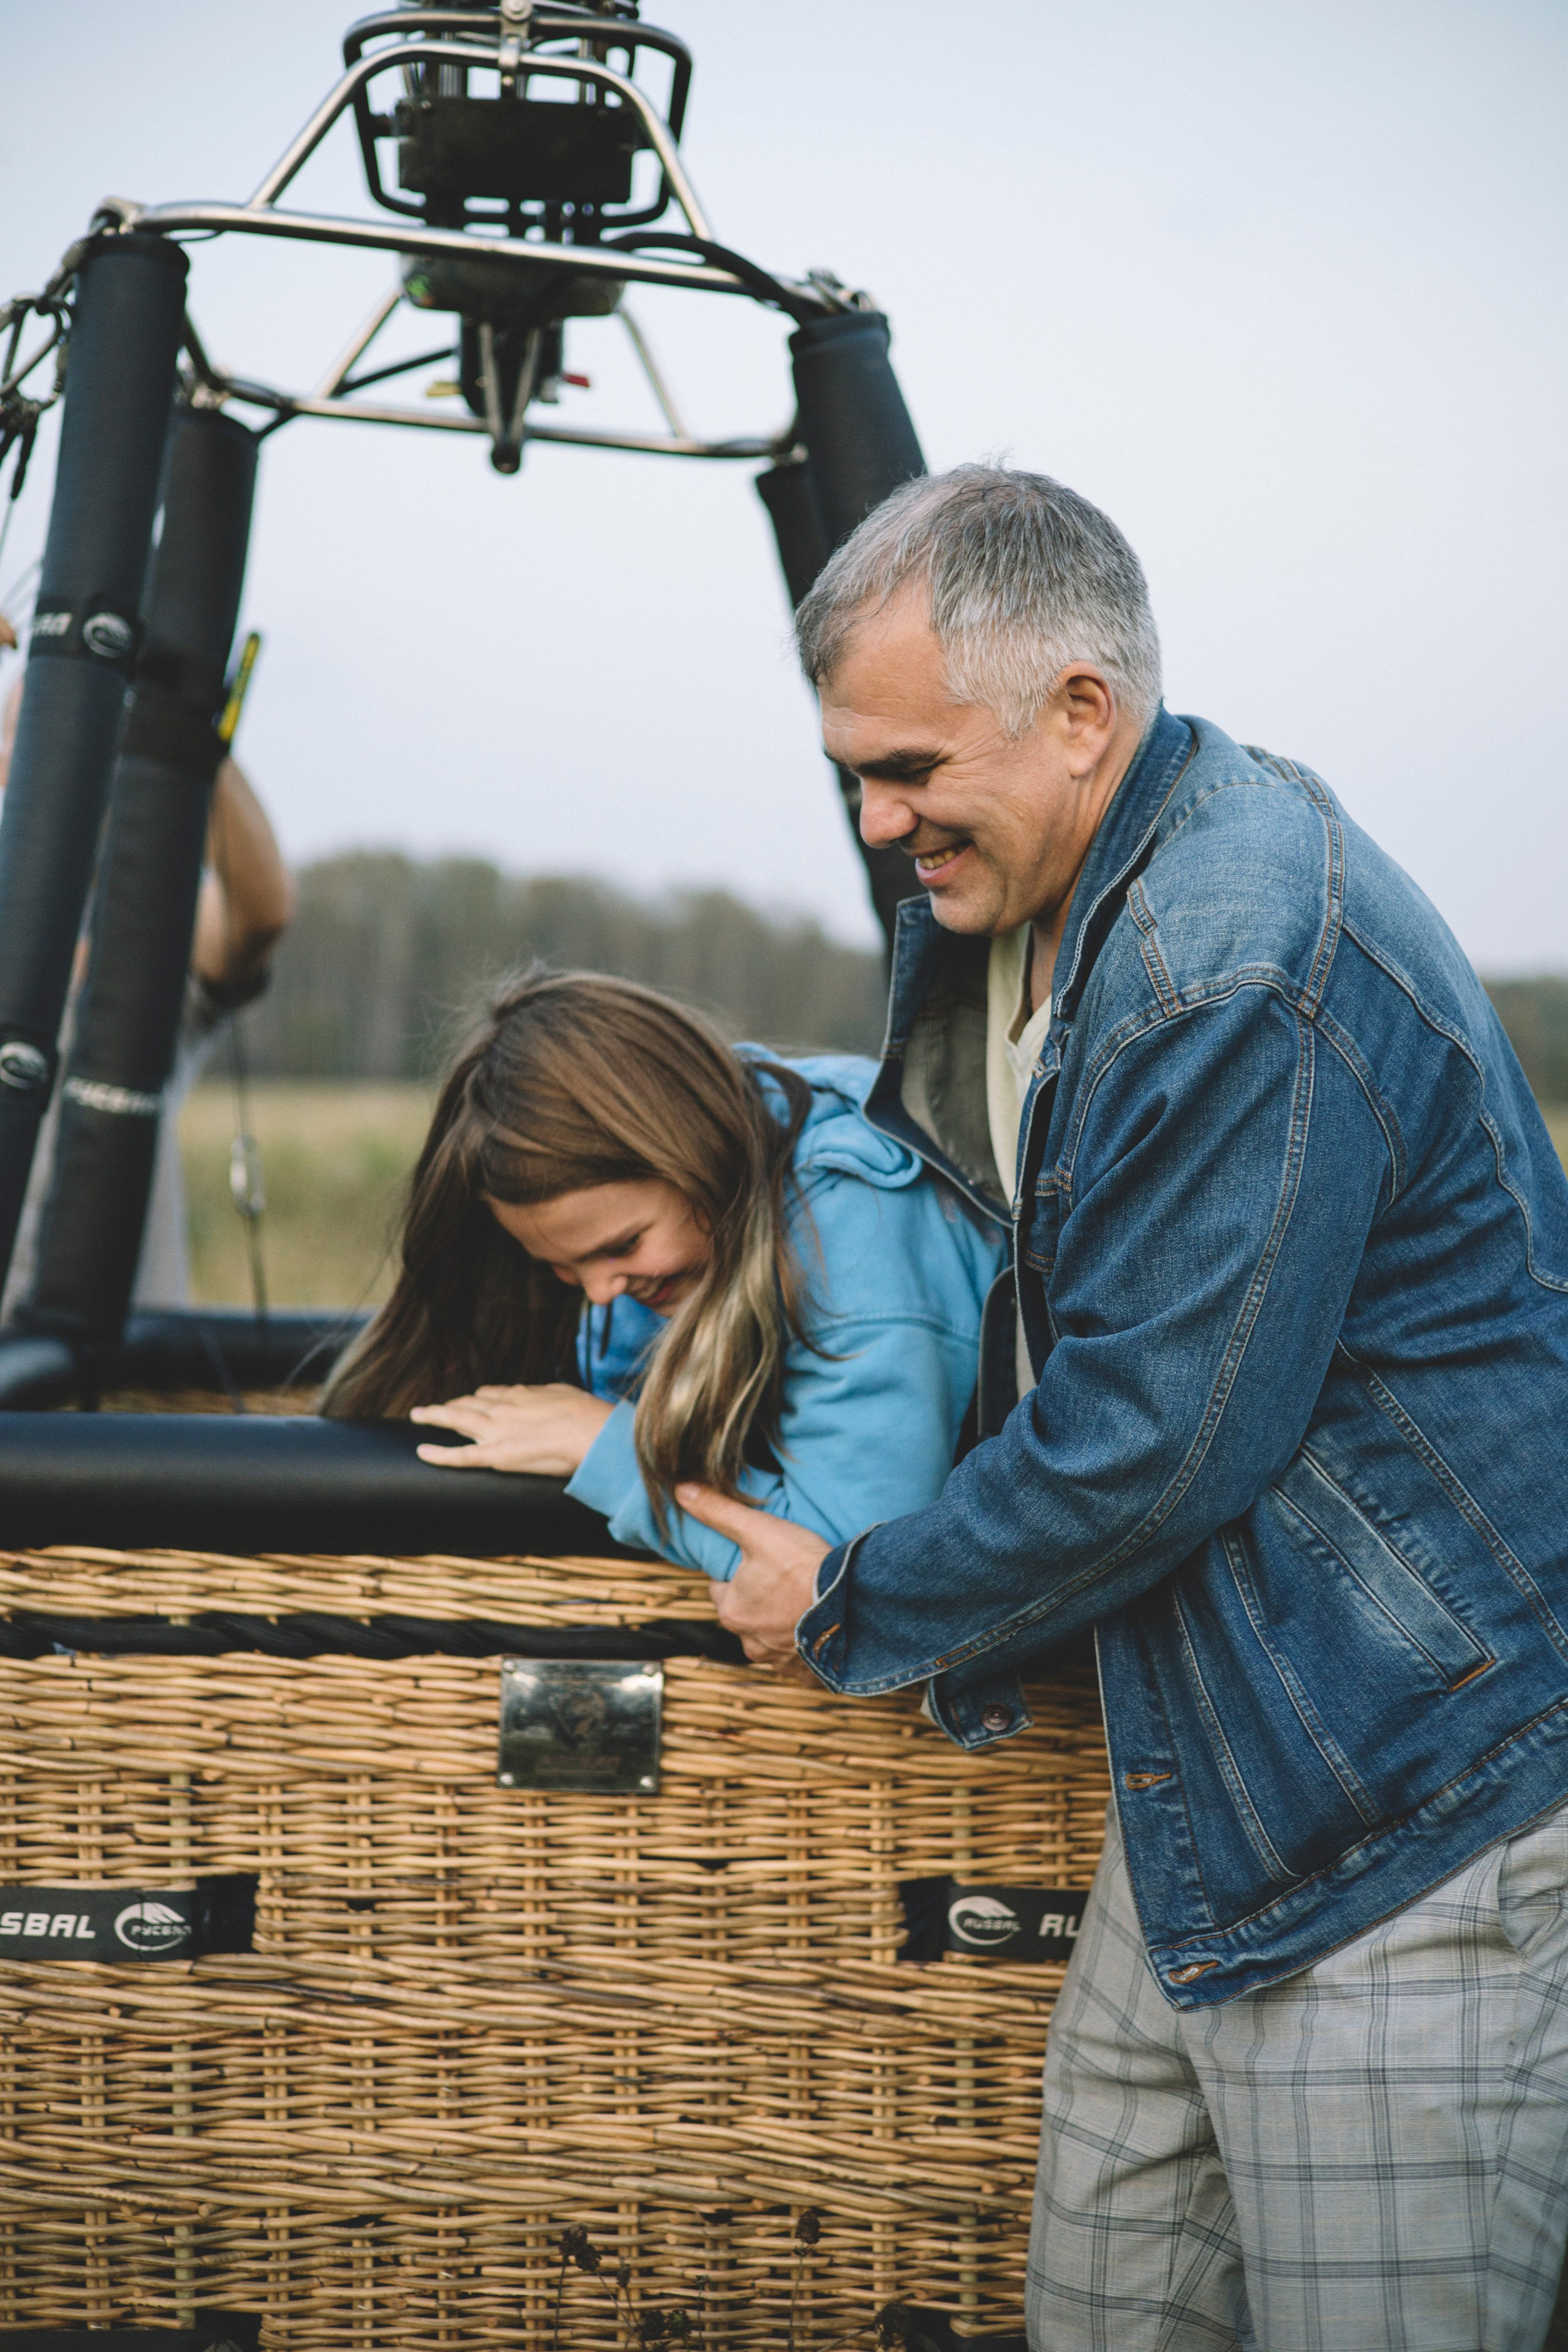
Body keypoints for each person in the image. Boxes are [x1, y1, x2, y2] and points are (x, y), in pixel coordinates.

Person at [671, 466, 1568, 2351]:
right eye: (850, 768)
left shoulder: (1233, 951)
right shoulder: (1033, 902)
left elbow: (1151, 1437)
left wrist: (845, 1600)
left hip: (1408, 1804)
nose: (872, 816)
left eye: (908, 763)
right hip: (1211, 1791)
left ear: (1083, 711)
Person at [321, 968, 1004, 1577]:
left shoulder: (858, 1242)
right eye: (559, 1266)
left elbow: (836, 1571)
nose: (599, 1291)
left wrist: (602, 1448)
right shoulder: (734, 1147)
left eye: (622, 1245)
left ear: (690, 1149)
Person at [0, 665, 294, 1312]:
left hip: (128, 1371)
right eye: (35, 733)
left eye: (98, 737)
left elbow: (261, 913)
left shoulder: (143, 938)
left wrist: (184, 731)